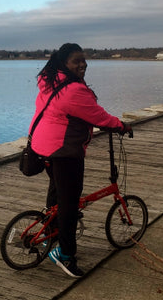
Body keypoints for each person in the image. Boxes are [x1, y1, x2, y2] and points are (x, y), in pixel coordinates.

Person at [29, 43, 132, 278]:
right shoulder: (73, 90)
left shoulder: (50, 81)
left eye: (84, 60)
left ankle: (50, 236)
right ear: (64, 62)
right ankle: (65, 254)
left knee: (57, 194)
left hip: (41, 146)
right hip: (63, 151)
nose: (83, 64)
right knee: (69, 205)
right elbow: (99, 117)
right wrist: (122, 126)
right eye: (77, 61)